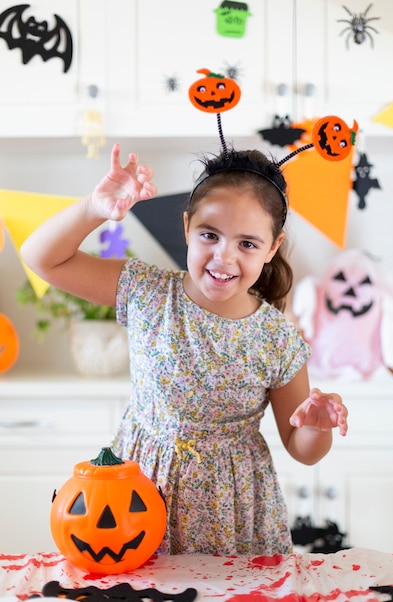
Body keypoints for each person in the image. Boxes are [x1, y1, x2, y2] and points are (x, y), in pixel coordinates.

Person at [21, 143, 348, 556]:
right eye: (209, 234)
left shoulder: (277, 338)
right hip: (136, 501)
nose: (223, 256)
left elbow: (303, 451)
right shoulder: (147, 291)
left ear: (272, 247)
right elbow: (40, 258)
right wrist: (93, 207)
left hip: (233, 516)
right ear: (187, 226)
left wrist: (316, 426)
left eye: (247, 243)